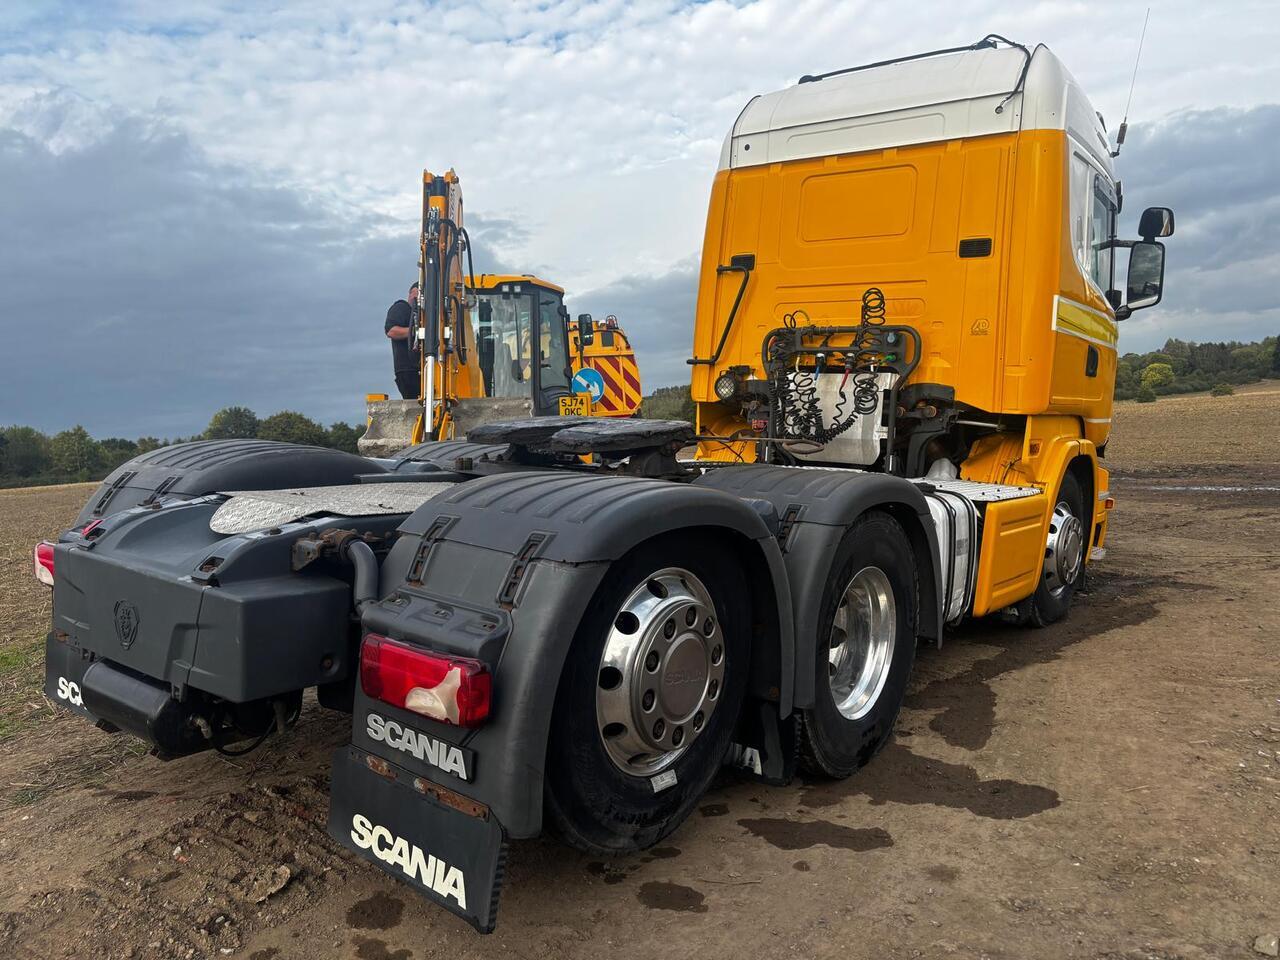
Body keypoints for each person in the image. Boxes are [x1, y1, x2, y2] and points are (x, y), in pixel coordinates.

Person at [385, 282, 420, 399]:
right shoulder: (402, 308)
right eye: (418, 293)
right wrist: (416, 332)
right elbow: (391, 331)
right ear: (411, 293)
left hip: (422, 370)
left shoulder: (425, 315)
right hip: (409, 371)